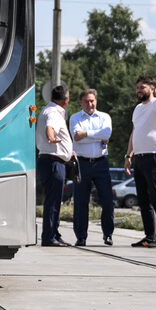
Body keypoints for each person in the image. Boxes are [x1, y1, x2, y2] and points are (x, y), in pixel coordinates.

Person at [124, 76, 156, 247]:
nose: (139, 90)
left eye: (142, 87)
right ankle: (150, 236)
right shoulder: (137, 108)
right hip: (139, 157)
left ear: (152, 88)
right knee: (143, 200)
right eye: (137, 87)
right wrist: (128, 156)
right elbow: (134, 132)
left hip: (154, 156)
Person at [67, 88, 115, 247]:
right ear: (81, 102)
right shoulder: (75, 117)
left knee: (107, 199)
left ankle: (108, 234)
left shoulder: (104, 117)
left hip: (101, 162)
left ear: (96, 101)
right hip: (82, 163)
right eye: (86, 101)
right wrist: (97, 135)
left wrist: (86, 134)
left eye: (92, 101)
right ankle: (81, 236)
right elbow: (77, 137)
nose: (90, 104)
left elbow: (107, 134)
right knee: (81, 201)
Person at [35, 83, 74, 246]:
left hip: (49, 160)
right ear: (66, 100)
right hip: (53, 163)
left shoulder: (46, 109)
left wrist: (68, 150)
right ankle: (49, 236)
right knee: (53, 201)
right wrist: (51, 137)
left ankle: (54, 234)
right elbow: (50, 127)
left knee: (54, 200)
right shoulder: (54, 113)